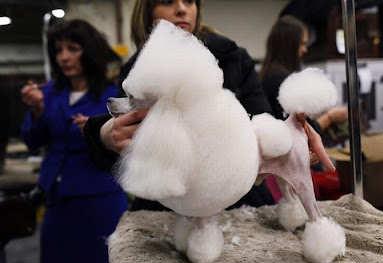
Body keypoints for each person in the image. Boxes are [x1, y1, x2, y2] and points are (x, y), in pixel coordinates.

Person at [83, 0, 276, 211]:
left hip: (239, 201)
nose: (182, 9)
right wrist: (105, 134)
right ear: (147, 11)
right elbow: (125, 136)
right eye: (167, 1)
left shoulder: (233, 58)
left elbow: (263, 119)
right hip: (168, 205)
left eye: (189, 1)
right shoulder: (136, 70)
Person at [20, 19, 128, 263]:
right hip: (57, 200)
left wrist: (97, 132)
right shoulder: (48, 95)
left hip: (100, 199)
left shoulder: (113, 96)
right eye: (58, 50)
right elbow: (32, 141)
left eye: (73, 48)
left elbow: (127, 148)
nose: (64, 57)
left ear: (89, 52)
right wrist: (36, 111)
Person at [259, 15, 348, 137]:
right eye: (302, 43)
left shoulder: (268, 75)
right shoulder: (280, 81)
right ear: (290, 45)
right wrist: (331, 117)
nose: (305, 49)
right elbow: (303, 130)